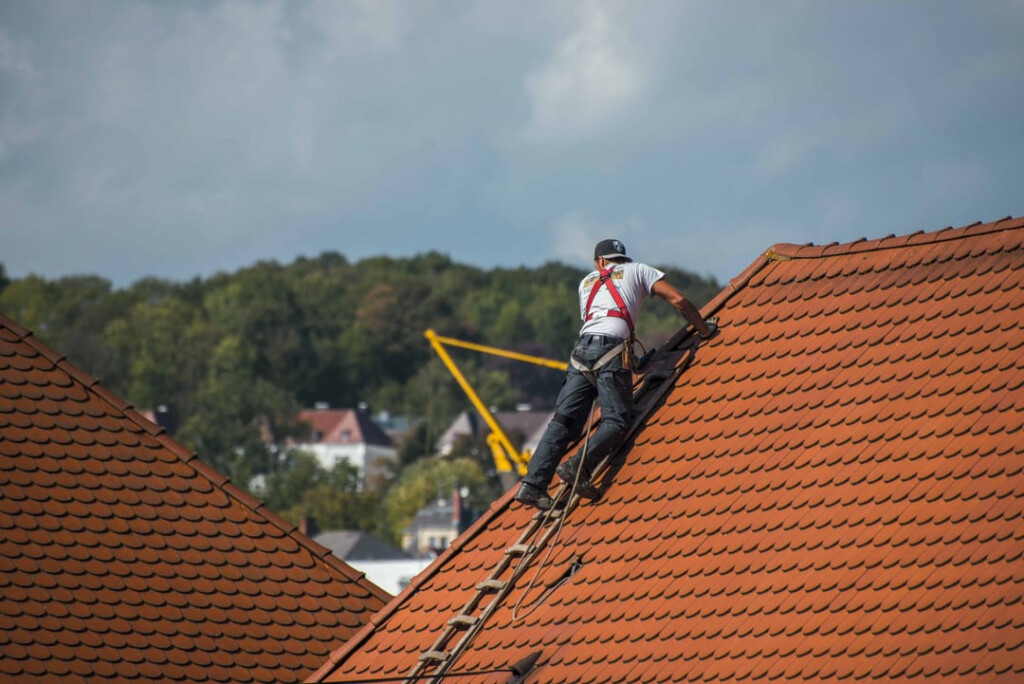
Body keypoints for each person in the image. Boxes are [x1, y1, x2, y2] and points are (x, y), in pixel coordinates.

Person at [514, 238, 716, 510]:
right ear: (621, 259)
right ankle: (578, 467)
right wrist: (704, 329)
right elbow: (679, 300)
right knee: (617, 421)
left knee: (563, 422)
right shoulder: (639, 270)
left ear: (599, 262)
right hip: (611, 351)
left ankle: (532, 485)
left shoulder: (585, 283)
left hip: (581, 354)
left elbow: (600, 320)